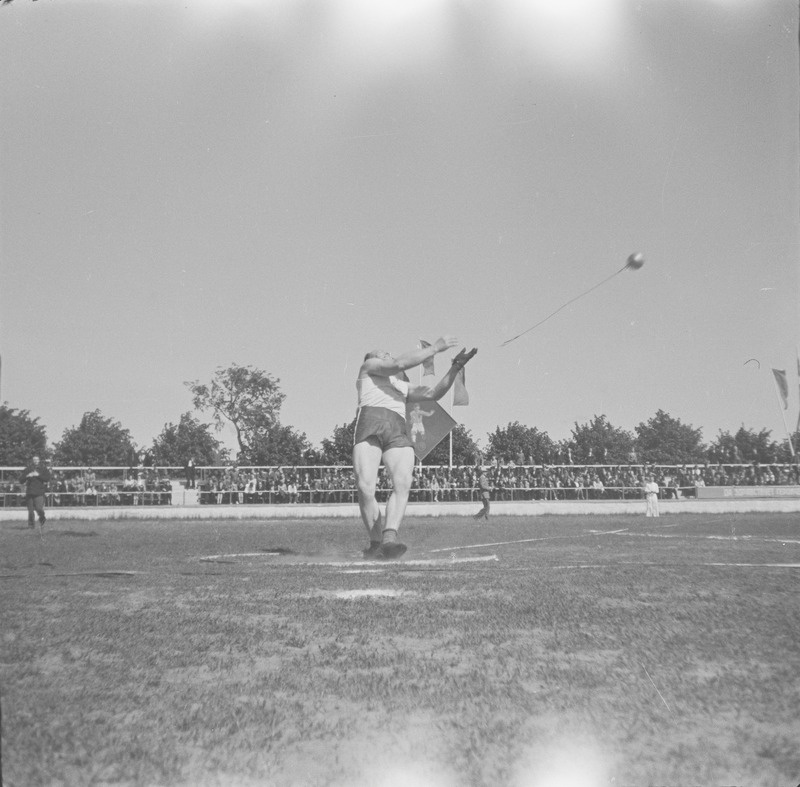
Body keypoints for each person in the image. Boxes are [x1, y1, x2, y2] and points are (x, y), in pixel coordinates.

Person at [353, 336, 477, 559]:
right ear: (373, 359)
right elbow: (398, 364)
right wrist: (436, 349)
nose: (387, 355)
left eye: (388, 353)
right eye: (382, 353)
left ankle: (389, 538)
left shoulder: (402, 386)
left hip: (397, 428)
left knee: (403, 482)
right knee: (365, 487)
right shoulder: (369, 367)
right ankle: (375, 543)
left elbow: (434, 393)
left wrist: (456, 366)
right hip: (370, 421)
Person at [20, 456, 51, 532]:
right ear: (32, 461)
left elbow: (47, 478)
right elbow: (21, 480)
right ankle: (31, 526)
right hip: (30, 492)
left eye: (37, 459)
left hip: (39, 492)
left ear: (39, 460)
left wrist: (38, 475)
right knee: (30, 511)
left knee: (39, 509)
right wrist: (27, 476)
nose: (36, 461)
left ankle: (42, 518)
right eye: (34, 459)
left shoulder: (43, 469)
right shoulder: (28, 469)